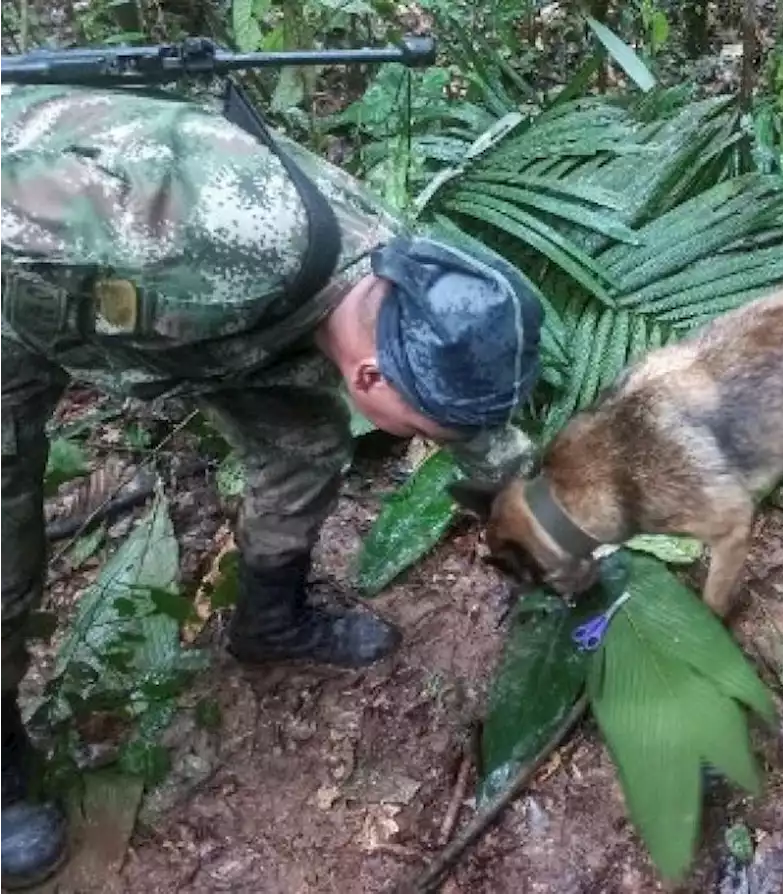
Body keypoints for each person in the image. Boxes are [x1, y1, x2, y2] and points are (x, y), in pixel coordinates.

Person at [0, 78, 542, 888]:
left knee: (303, 441)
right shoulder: (212, 242)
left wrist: (555, 525)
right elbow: (30, 193)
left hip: (202, 323)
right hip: (21, 282)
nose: (431, 443)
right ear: (370, 375)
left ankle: (271, 619)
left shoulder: (401, 280)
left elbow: (474, 422)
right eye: (424, 431)